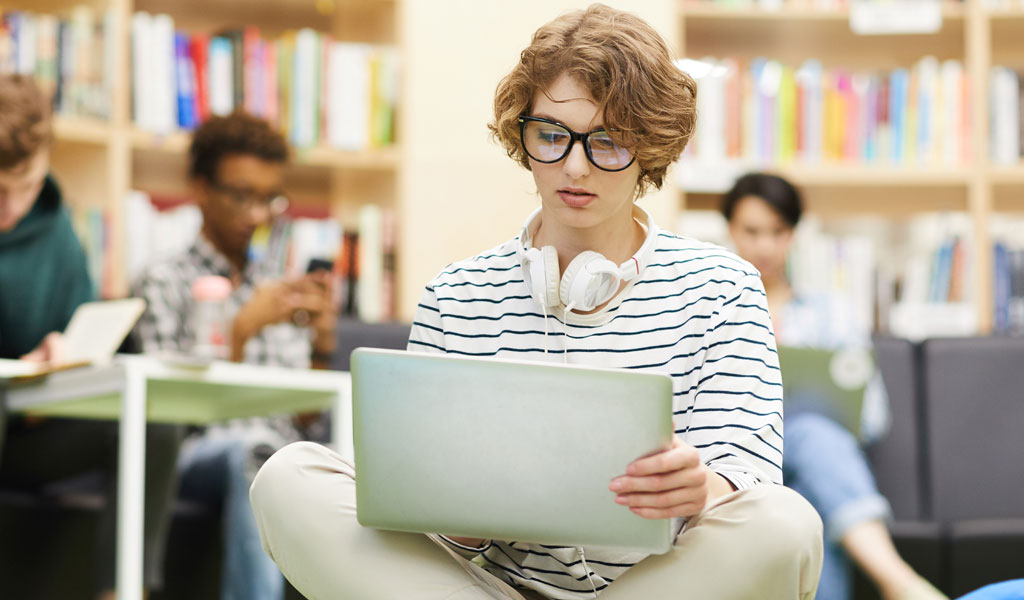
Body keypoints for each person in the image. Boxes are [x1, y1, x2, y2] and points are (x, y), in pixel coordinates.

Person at [249, 5, 823, 599]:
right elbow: (424, 529)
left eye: (607, 141)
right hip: (489, 587)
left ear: (650, 145)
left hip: (659, 586)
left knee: (786, 524)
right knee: (288, 480)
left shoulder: (723, 287)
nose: (574, 166)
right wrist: (459, 521)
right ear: (522, 137)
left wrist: (703, 489)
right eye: (551, 135)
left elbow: (749, 479)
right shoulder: (456, 294)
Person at [131, 110, 336, 600]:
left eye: (269, 199)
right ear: (200, 189)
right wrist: (239, 330)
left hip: (279, 452)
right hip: (197, 457)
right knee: (255, 451)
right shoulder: (162, 279)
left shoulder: (278, 287)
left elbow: (305, 421)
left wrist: (323, 347)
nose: (258, 214)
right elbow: (172, 413)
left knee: (303, 457)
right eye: (241, 196)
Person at [721, 172, 947, 600]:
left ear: (794, 235)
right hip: (736, 465)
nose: (765, 246)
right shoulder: (714, 308)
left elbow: (873, 416)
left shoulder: (832, 314)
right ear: (730, 229)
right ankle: (898, 580)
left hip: (816, 462)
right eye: (752, 231)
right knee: (808, 447)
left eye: (778, 232)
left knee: (810, 470)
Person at [0, 73, 181, 600]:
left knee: (156, 421)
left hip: (36, 428)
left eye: (26, 187)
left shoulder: (58, 227)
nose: (11, 210)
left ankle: (123, 591)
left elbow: (79, 329)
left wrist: (64, 360)